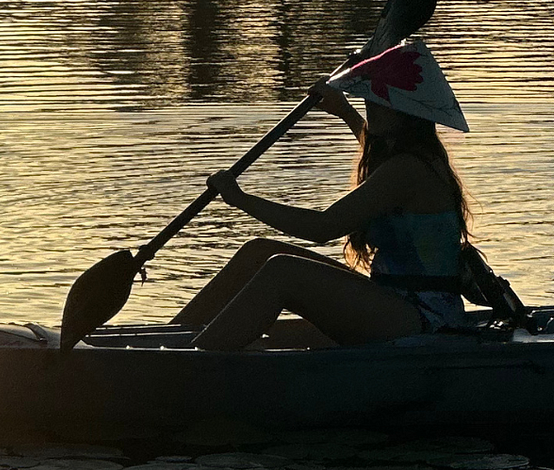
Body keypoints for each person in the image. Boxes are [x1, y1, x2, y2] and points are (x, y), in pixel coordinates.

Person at [175, 40, 471, 351]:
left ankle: (194, 360)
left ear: (404, 113)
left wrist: (241, 199)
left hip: (423, 317)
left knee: (282, 271)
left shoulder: (406, 170)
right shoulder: (412, 155)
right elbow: (372, 144)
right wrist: (344, 111)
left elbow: (322, 227)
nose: (371, 105)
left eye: (379, 101)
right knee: (258, 253)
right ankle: (169, 339)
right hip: (395, 301)